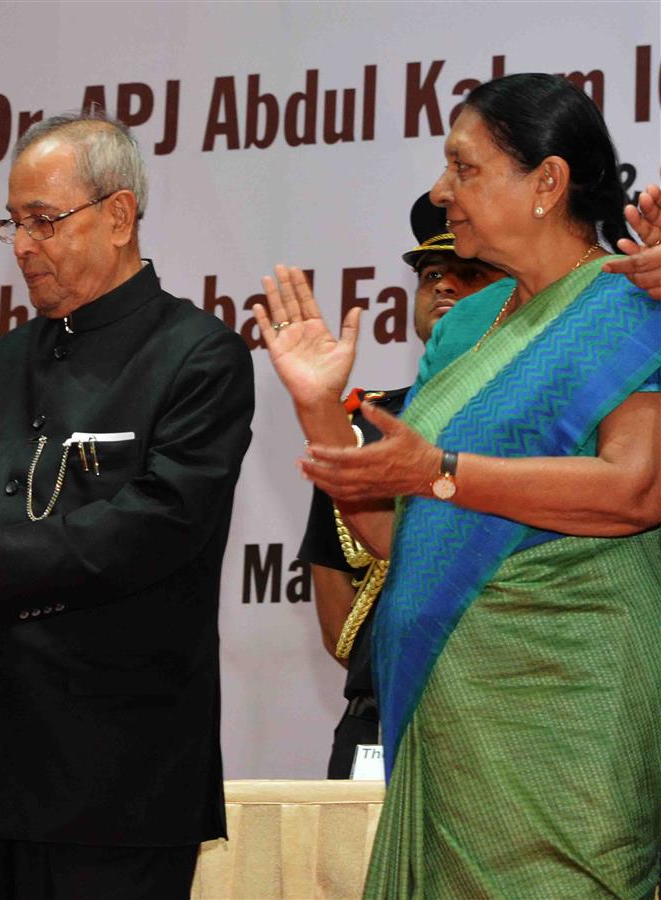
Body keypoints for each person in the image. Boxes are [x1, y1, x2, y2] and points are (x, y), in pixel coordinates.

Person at [254, 73, 661, 896]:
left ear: (547, 182)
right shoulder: (469, 324)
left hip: (565, 716)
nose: (441, 192)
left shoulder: (637, 301)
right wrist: (320, 408)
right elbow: (403, 535)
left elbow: (634, 492)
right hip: (447, 720)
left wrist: (441, 471)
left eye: (464, 169)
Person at [0, 112, 254, 898]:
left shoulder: (199, 354)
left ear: (117, 216)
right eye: (13, 221)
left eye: (44, 220)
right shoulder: (2, 361)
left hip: (119, 774)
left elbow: (163, 520)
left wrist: (4, 557)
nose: (22, 244)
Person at [296, 194, 502, 779]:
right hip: (377, 715)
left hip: (494, 715)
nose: (444, 288)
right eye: (433, 275)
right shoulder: (362, 424)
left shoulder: (533, 417)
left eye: (469, 275)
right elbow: (334, 603)